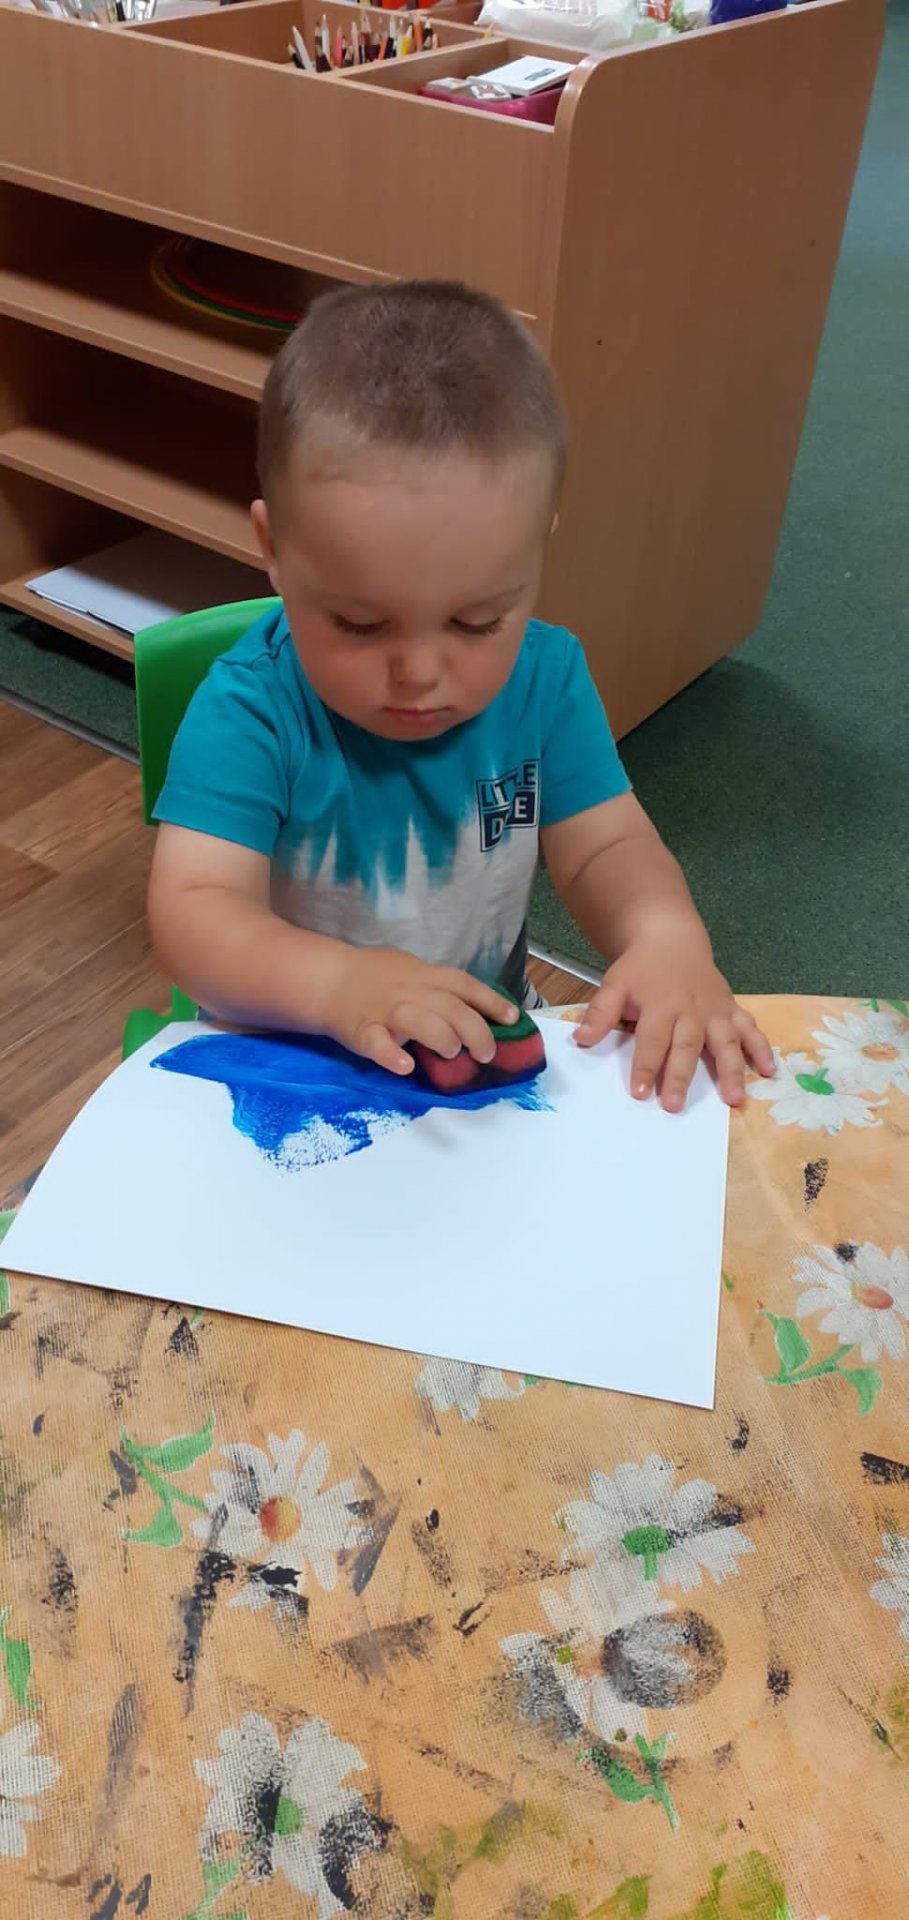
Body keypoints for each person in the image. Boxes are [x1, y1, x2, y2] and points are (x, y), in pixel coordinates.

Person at [149, 279, 773, 1113]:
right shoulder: (251, 712)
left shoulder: (546, 678)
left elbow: (605, 847)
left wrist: (665, 936)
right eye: (360, 623)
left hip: (480, 1052)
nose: (418, 672)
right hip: (293, 1049)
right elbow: (194, 911)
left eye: (476, 622)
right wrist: (339, 986)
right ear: (272, 548)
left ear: (536, 551)